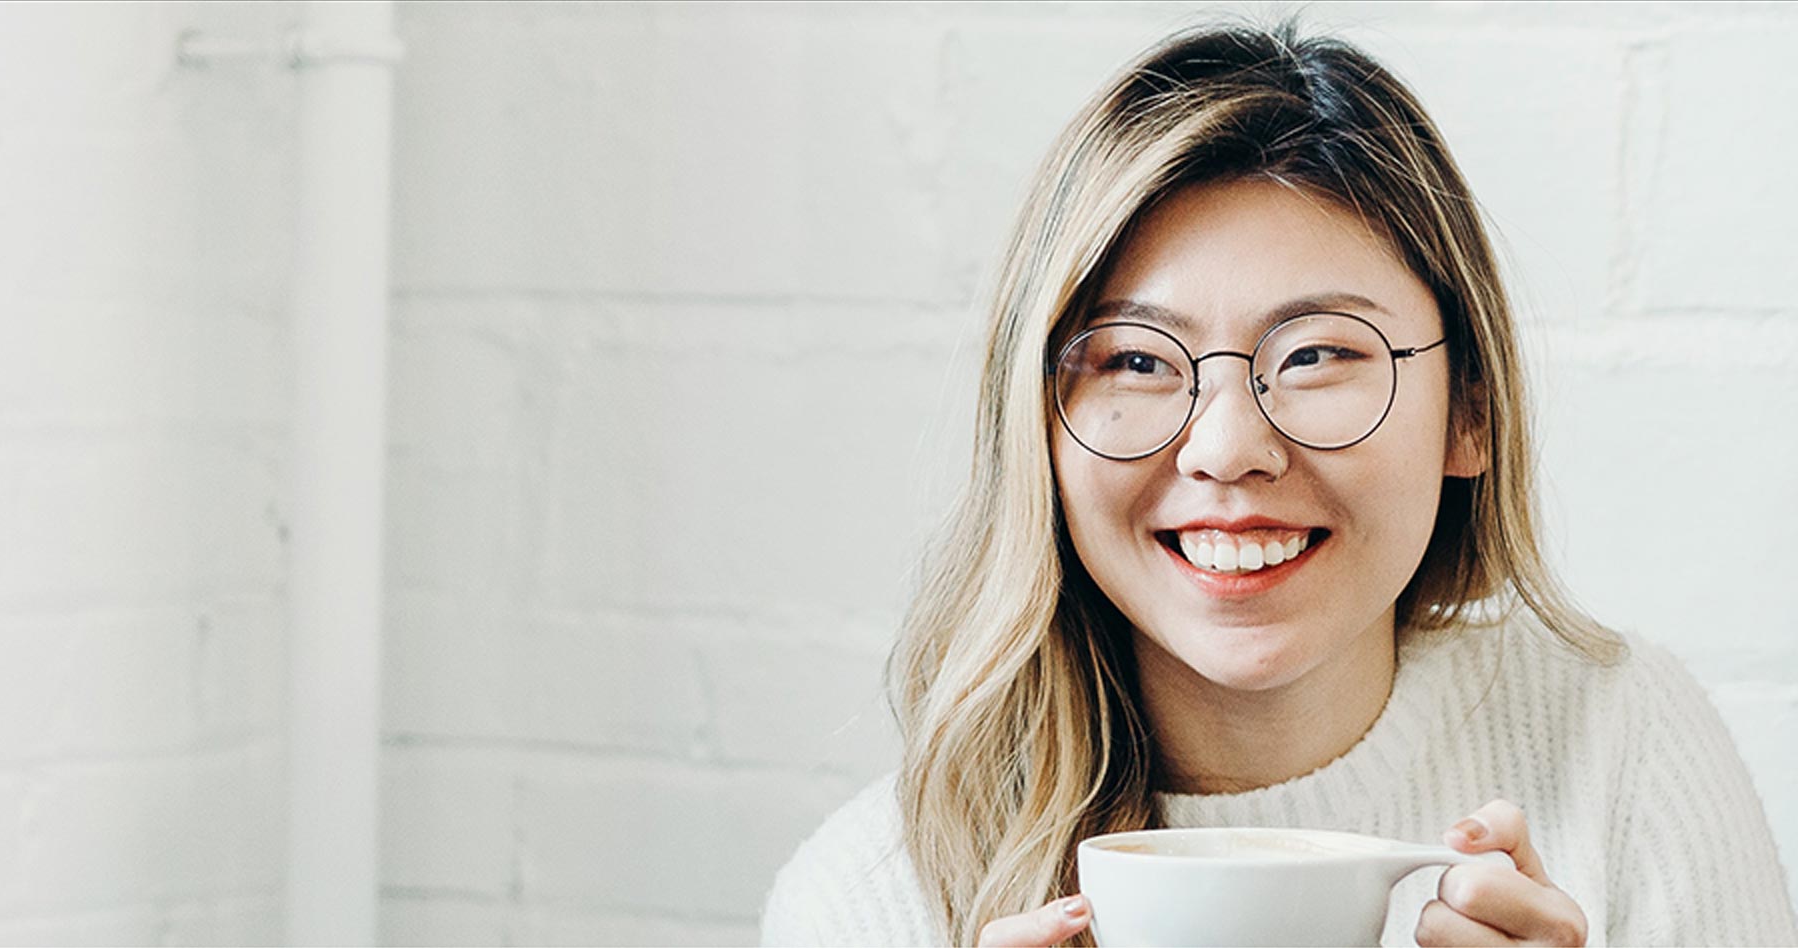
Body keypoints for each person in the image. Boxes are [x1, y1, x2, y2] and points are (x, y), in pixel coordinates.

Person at [759, 18, 1798, 948]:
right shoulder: (868, 905)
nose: (1225, 448)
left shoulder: (1620, 745)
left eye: (1314, 356)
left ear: (1470, 410)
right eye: (1133, 361)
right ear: (1039, 428)